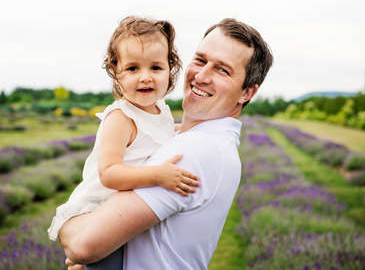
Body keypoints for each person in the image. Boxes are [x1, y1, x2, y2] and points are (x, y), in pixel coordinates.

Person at [59, 18, 273, 270]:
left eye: (222, 70)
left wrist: (68, 232)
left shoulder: (191, 152)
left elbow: (83, 246)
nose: (201, 76)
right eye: (201, 60)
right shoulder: (204, 142)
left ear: (247, 92)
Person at [48, 16, 200, 268]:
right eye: (132, 68)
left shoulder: (160, 109)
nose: (145, 77)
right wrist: (157, 176)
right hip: (96, 212)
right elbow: (109, 173)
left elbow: (157, 136)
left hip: (121, 214)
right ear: (115, 71)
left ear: (170, 69)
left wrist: (186, 131)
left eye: (155, 68)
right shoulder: (120, 118)